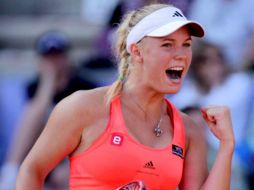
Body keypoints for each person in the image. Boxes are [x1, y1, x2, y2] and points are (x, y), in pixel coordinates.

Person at [15, 4, 235, 190]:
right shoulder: (84, 106)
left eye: (186, 45)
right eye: (167, 44)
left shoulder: (189, 130)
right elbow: (32, 169)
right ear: (136, 51)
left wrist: (226, 145)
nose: (181, 54)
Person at [0, 31, 96, 190]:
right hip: (41, 152)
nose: (54, 62)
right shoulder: (35, 86)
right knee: (36, 110)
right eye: (49, 57)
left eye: (58, 55)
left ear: (66, 57)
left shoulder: (84, 85)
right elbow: (36, 115)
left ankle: (11, 172)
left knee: (62, 176)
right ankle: (10, 170)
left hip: (72, 153)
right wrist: (48, 82)